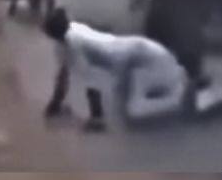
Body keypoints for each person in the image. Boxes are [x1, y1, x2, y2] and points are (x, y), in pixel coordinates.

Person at [42, 9, 191, 131]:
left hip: (142, 57)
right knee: (123, 99)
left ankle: (178, 98)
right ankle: (175, 84)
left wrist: (96, 116)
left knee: (135, 110)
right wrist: (55, 103)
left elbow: (91, 80)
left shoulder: (74, 42)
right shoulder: (72, 31)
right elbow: (63, 73)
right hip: (137, 55)